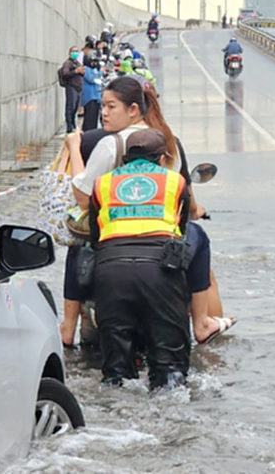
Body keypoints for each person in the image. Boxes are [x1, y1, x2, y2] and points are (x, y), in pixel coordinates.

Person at [63, 77, 231, 346]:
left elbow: (82, 199)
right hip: (162, 247)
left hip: (112, 246)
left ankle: (67, 329)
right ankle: (203, 324)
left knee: (77, 246)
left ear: (132, 109)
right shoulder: (169, 142)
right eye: (103, 106)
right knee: (201, 250)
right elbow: (184, 198)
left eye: (110, 106)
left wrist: (73, 147)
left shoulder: (108, 143)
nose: (104, 112)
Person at [87, 128, 193, 390]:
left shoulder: (102, 184)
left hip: (111, 270)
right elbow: (182, 229)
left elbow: (94, 235)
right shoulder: (174, 182)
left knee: (116, 371)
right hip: (160, 270)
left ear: (125, 158)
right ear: (161, 159)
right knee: (170, 365)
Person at [61, 47, 85, 133]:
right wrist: (76, 71)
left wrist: (82, 72)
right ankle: (69, 126)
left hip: (78, 88)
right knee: (70, 107)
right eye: (73, 51)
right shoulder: (67, 63)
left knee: (75, 107)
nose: (75, 53)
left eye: (76, 51)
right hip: (71, 87)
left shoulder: (78, 63)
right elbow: (65, 73)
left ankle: (73, 124)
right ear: (69, 53)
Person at [81, 52, 104, 131]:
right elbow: (91, 79)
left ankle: (92, 132)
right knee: (89, 117)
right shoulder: (86, 69)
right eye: (92, 62)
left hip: (96, 96)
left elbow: (99, 79)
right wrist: (98, 71)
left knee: (94, 117)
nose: (93, 63)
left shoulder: (94, 70)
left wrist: (99, 70)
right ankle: (86, 133)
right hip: (89, 96)